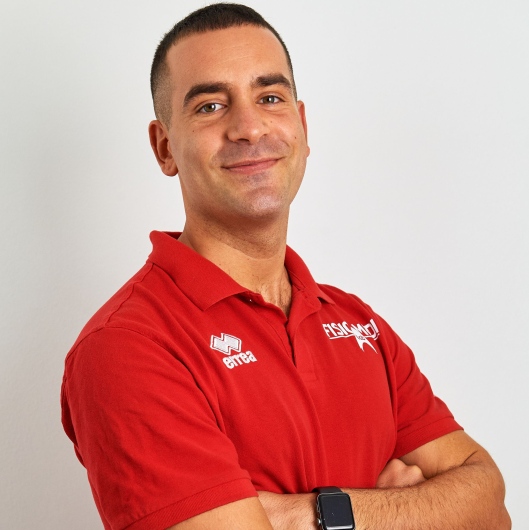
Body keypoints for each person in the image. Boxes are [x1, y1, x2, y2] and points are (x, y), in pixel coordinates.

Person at [61, 3, 510, 529]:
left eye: (269, 98)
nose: (249, 127)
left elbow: (490, 505)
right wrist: (412, 511)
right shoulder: (128, 346)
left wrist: (303, 515)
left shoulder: (359, 324)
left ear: (301, 125)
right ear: (165, 148)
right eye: (210, 106)